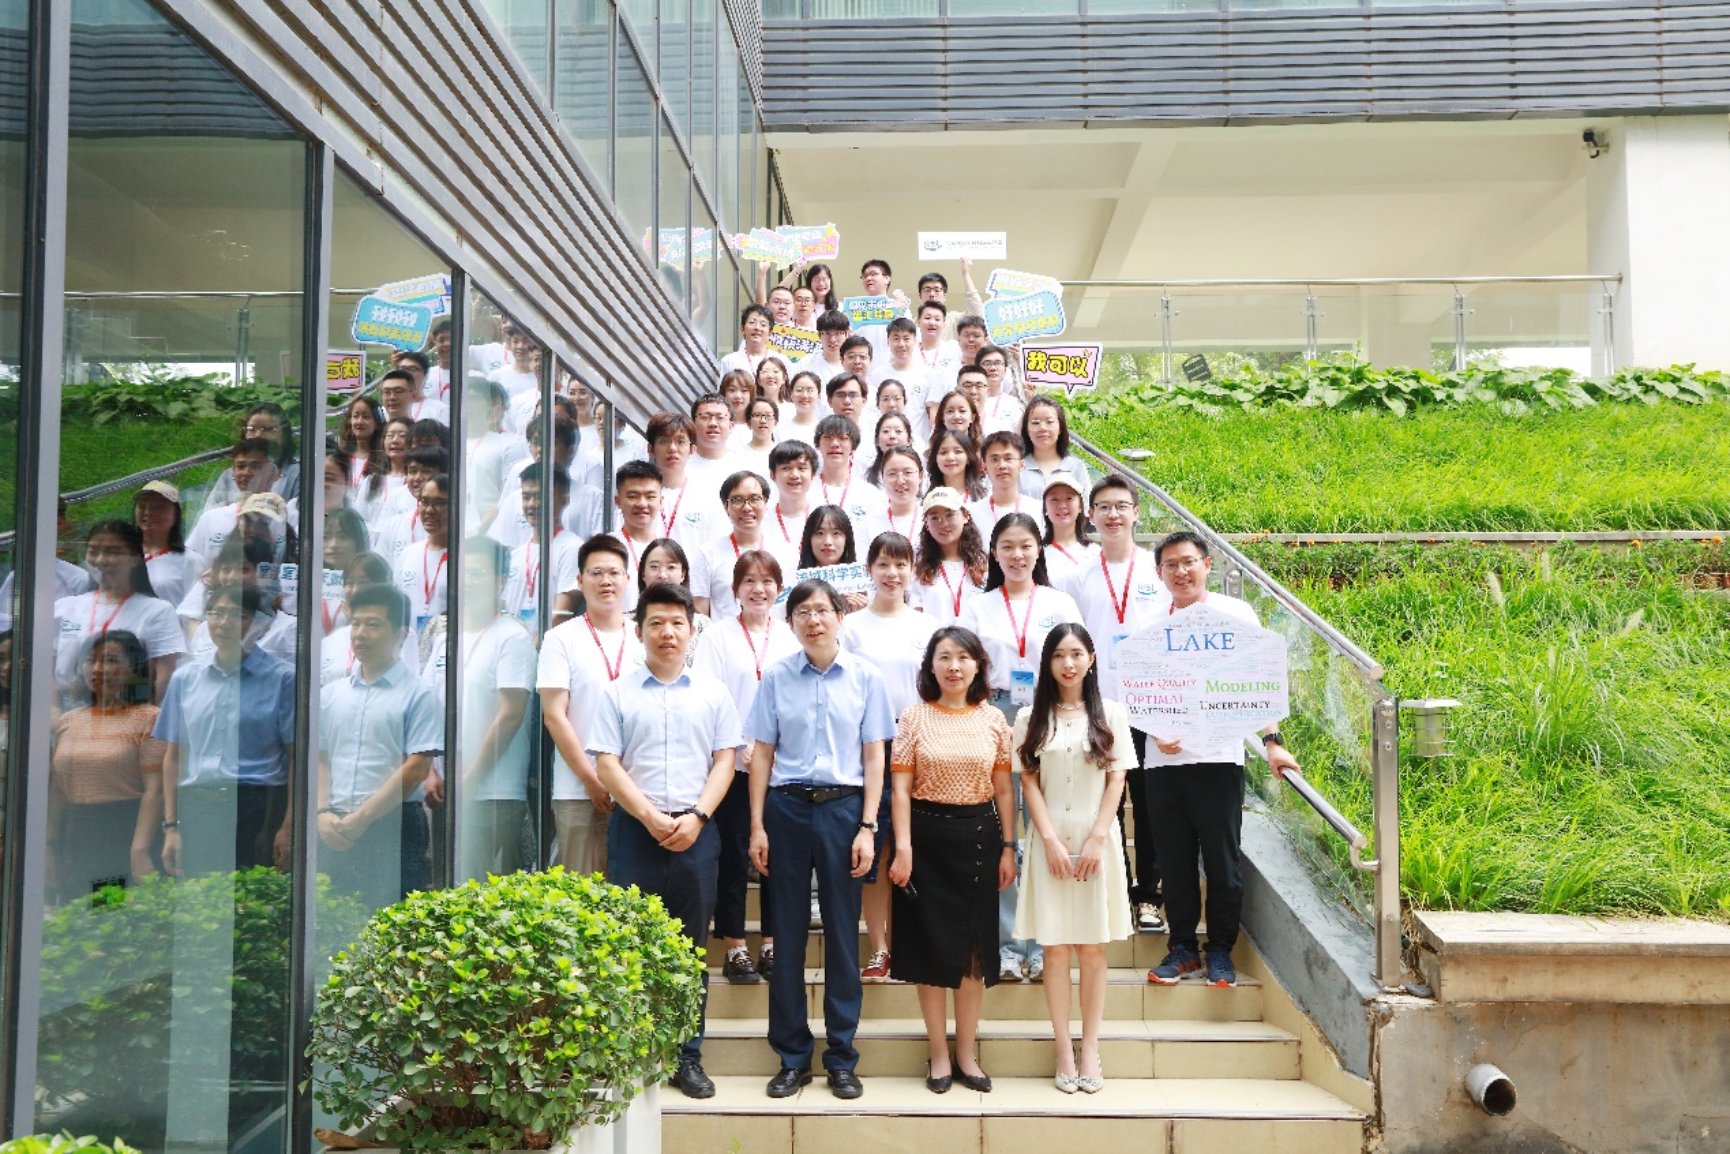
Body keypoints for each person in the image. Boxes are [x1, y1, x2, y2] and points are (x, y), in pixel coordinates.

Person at [746, 579, 895, 1102]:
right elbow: (762, 754)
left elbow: (874, 755)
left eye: (821, 610)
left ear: (839, 616)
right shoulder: (776, 676)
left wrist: (869, 826)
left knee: (842, 935)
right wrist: (757, 825)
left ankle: (841, 1057)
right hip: (786, 809)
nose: (813, 620)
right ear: (790, 623)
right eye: (802, 613)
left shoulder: (866, 676)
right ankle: (791, 1057)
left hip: (844, 810)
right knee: (785, 936)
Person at [591, 581, 741, 1100]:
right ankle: (633, 1055)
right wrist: (650, 817)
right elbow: (607, 763)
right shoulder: (617, 692)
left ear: (692, 630)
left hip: (697, 832)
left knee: (691, 950)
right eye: (656, 622)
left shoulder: (713, 693)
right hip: (636, 833)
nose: (667, 632)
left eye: (677, 622)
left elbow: (725, 761)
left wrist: (697, 816)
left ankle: (685, 1056)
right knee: (630, 946)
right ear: (639, 632)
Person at [1144, 532, 1301, 990]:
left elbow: (1258, 680)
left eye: (1188, 562)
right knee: (1174, 864)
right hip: (1163, 763)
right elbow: (1137, 688)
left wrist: (1272, 741)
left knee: (1223, 864)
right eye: (1170, 565)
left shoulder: (1236, 614)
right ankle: (1182, 949)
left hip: (1219, 758)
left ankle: (1219, 951)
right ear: (1159, 573)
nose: (1181, 572)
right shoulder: (1149, 621)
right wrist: (1153, 729)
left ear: (1207, 564)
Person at [885, 626, 1016, 1094]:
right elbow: (900, 788)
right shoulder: (914, 717)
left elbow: (1004, 791)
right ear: (931, 666)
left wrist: (1009, 846)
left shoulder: (994, 720)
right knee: (929, 949)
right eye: (944, 657)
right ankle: (938, 1051)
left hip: (979, 838)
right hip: (924, 840)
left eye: (963, 657)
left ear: (978, 665)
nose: (954, 666)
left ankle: (966, 1052)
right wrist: (903, 847)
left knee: (972, 953)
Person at [960, 512, 1083, 982]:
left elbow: (1075, 661)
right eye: (1007, 546)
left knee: (1048, 829)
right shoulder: (978, 606)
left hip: (1049, 714)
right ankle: (1011, 944)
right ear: (994, 553)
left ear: (1039, 550)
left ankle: (1046, 943)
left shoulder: (1059, 602)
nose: (1017, 555)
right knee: (1004, 832)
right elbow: (965, 666)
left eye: (1026, 546)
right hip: (995, 715)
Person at [1013, 624, 1134, 1092]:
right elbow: (1028, 781)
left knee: (1093, 948)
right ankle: (1063, 1046)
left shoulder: (1112, 713)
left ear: (1091, 659)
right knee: (1055, 948)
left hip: (1095, 840)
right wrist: (1048, 840)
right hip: (1050, 843)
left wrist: (1098, 837)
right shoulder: (1030, 717)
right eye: (1059, 655)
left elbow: (1117, 779)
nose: (1068, 663)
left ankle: (1090, 1048)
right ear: (1047, 663)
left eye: (1077, 653)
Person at [1060, 475, 1171, 933]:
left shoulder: (1156, 569)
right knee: (1100, 803)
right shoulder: (1079, 574)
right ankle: (1112, 892)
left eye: (1121, 506)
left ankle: (1149, 897)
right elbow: (1071, 642)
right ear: (1090, 515)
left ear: (1136, 513)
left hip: (1150, 707)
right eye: (1103, 506)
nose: (1112, 514)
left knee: (1148, 806)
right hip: (1099, 708)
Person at [696, 551, 799, 985]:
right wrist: (738, 744)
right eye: (749, 581)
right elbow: (708, 695)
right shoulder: (717, 636)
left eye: (767, 581)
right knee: (735, 854)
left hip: (782, 767)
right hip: (734, 765)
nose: (759, 589)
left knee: (780, 855)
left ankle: (772, 942)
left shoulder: (791, 635)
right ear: (735, 589)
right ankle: (735, 945)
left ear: (779, 588)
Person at [840, 532, 937, 983]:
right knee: (877, 850)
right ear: (869, 570)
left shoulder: (926, 627)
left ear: (912, 570)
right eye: (883, 564)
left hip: (921, 741)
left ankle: (912, 944)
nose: (892, 574)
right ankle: (880, 947)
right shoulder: (851, 628)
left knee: (915, 845)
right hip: (869, 746)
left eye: (900, 565)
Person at [156, 583, 296, 877]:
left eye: (237, 615)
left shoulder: (283, 678)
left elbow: (295, 758)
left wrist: (287, 826)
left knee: (254, 897)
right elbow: (174, 756)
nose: (224, 622)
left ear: (257, 622)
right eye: (217, 613)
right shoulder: (185, 679)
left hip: (259, 807)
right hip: (199, 805)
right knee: (200, 896)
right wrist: (171, 827)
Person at [317, 583, 441, 910]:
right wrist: (322, 812)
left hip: (394, 824)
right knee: (331, 921)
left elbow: (416, 768)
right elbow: (320, 758)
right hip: (333, 825)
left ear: (400, 634)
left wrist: (361, 818)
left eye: (373, 625)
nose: (360, 634)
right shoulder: (331, 695)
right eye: (355, 624)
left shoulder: (419, 694)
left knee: (391, 923)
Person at [428, 539, 538, 882]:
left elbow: (511, 715)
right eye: (463, 572)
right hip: (444, 789)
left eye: (478, 573)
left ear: (501, 580)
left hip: (493, 793)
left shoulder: (512, 638)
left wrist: (470, 777)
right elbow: (428, 708)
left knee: (486, 891)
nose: (468, 581)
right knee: (448, 887)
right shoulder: (445, 639)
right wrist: (431, 772)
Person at [537, 536, 645, 877]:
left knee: (633, 889)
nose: (605, 581)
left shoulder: (644, 637)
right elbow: (554, 716)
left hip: (638, 787)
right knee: (581, 890)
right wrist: (590, 778)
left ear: (628, 579)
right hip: (577, 788)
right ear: (580, 580)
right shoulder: (560, 638)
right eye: (596, 573)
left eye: (614, 573)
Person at [49, 631, 164, 902]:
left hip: (120, 831)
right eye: (92, 660)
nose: (99, 668)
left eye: (111, 660)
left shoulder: (149, 718)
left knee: (109, 916)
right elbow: (57, 789)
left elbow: (155, 790)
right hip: (74, 833)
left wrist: (139, 849)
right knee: (73, 917)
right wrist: (50, 845)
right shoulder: (69, 721)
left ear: (133, 668)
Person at [54, 520, 185, 708]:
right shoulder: (65, 607)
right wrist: (54, 713)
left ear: (134, 558)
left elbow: (164, 672)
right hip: (69, 712)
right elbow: (46, 667)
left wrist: (138, 717)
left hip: (128, 712)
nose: (101, 560)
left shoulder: (157, 611)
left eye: (113, 552)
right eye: (93, 551)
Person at [692, 470, 796, 621]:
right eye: (737, 500)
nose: (747, 507)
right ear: (726, 507)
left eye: (755, 499)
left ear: (765, 503)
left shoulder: (787, 552)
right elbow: (701, 616)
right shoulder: (707, 555)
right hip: (724, 636)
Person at [500, 461, 581, 631]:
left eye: (540, 496)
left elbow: (562, 614)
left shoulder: (572, 549)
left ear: (565, 500)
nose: (532, 504)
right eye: (526, 497)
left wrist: (533, 643)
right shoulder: (516, 555)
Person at [911, 487, 986, 626]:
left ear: (965, 516)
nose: (943, 524)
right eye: (934, 518)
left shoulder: (984, 566)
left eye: (950, 515)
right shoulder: (918, 572)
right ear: (926, 524)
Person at [637, 539, 711, 666]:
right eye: (654, 567)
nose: (662, 575)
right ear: (643, 574)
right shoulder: (626, 623)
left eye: (671, 567)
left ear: (683, 574)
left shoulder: (703, 625)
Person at [394, 474, 450, 633]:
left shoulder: (464, 557)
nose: (429, 510)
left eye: (439, 503)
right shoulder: (409, 553)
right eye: (424, 502)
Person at [134, 481, 201, 609]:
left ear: (176, 514)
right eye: (142, 505)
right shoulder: (122, 555)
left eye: (158, 507)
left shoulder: (190, 561)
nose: (147, 512)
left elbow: (197, 609)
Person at [609, 460, 665, 611]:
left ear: (661, 501)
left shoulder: (670, 550)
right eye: (633, 496)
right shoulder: (605, 548)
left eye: (650, 496)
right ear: (617, 501)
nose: (642, 503)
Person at [796, 505, 868, 614]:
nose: (828, 542)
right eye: (820, 533)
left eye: (836, 533)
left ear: (847, 539)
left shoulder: (862, 583)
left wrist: (862, 614)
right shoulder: (795, 583)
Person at [968, 431, 1044, 532]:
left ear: (1021, 465)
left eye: (1008, 458)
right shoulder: (973, 513)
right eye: (995, 459)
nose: (1002, 465)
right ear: (984, 466)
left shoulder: (1039, 510)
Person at [1020, 395, 1091, 498]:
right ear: (1027, 429)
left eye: (1049, 422)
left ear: (1060, 427)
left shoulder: (1076, 467)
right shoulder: (1018, 468)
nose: (1042, 428)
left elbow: (1086, 503)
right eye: (1035, 423)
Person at [813, 414, 874, 528]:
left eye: (842, 438)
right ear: (818, 445)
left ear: (853, 446)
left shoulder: (868, 494)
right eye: (828, 437)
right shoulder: (805, 489)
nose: (834, 444)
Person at [1040, 471, 1097, 590]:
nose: (1062, 505)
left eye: (1069, 498)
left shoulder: (1094, 553)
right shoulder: (1036, 554)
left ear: (1080, 506)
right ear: (1045, 507)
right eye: (1054, 499)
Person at [857, 445, 924, 546]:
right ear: (882, 477)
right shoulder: (868, 524)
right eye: (892, 474)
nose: (900, 481)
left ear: (921, 476)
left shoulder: (931, 520)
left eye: (908, 472)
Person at [766, 440, 817, 555]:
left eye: (802, 468)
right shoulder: (762, 520)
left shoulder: (824, 518)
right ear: (773, 475)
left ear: (813, 474)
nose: (794, 475)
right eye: (786, 468)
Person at [926, 427, 986, 502]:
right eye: (943, 452)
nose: (950, 457)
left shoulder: (983, 500)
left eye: (957, 452)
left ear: (968, 458)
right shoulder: (929, 500)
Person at [975, 346, 1026, 434]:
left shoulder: (1013, 404)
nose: (993, 368)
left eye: (998, 363)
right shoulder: (968, 402)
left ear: (1005, 370)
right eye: (987, 363)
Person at [738, 396, 779, 478]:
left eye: (768, 416)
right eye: (757, 415)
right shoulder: (738, 454)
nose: (763, 421)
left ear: (775, 421)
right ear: (749, 422)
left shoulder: (782, 453)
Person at [779, 371, 823, 444]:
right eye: (799, 390)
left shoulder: (824, 430)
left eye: (810, 390)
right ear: (791, 394)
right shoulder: (779, 429)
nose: (804, 395)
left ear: (818, 396)